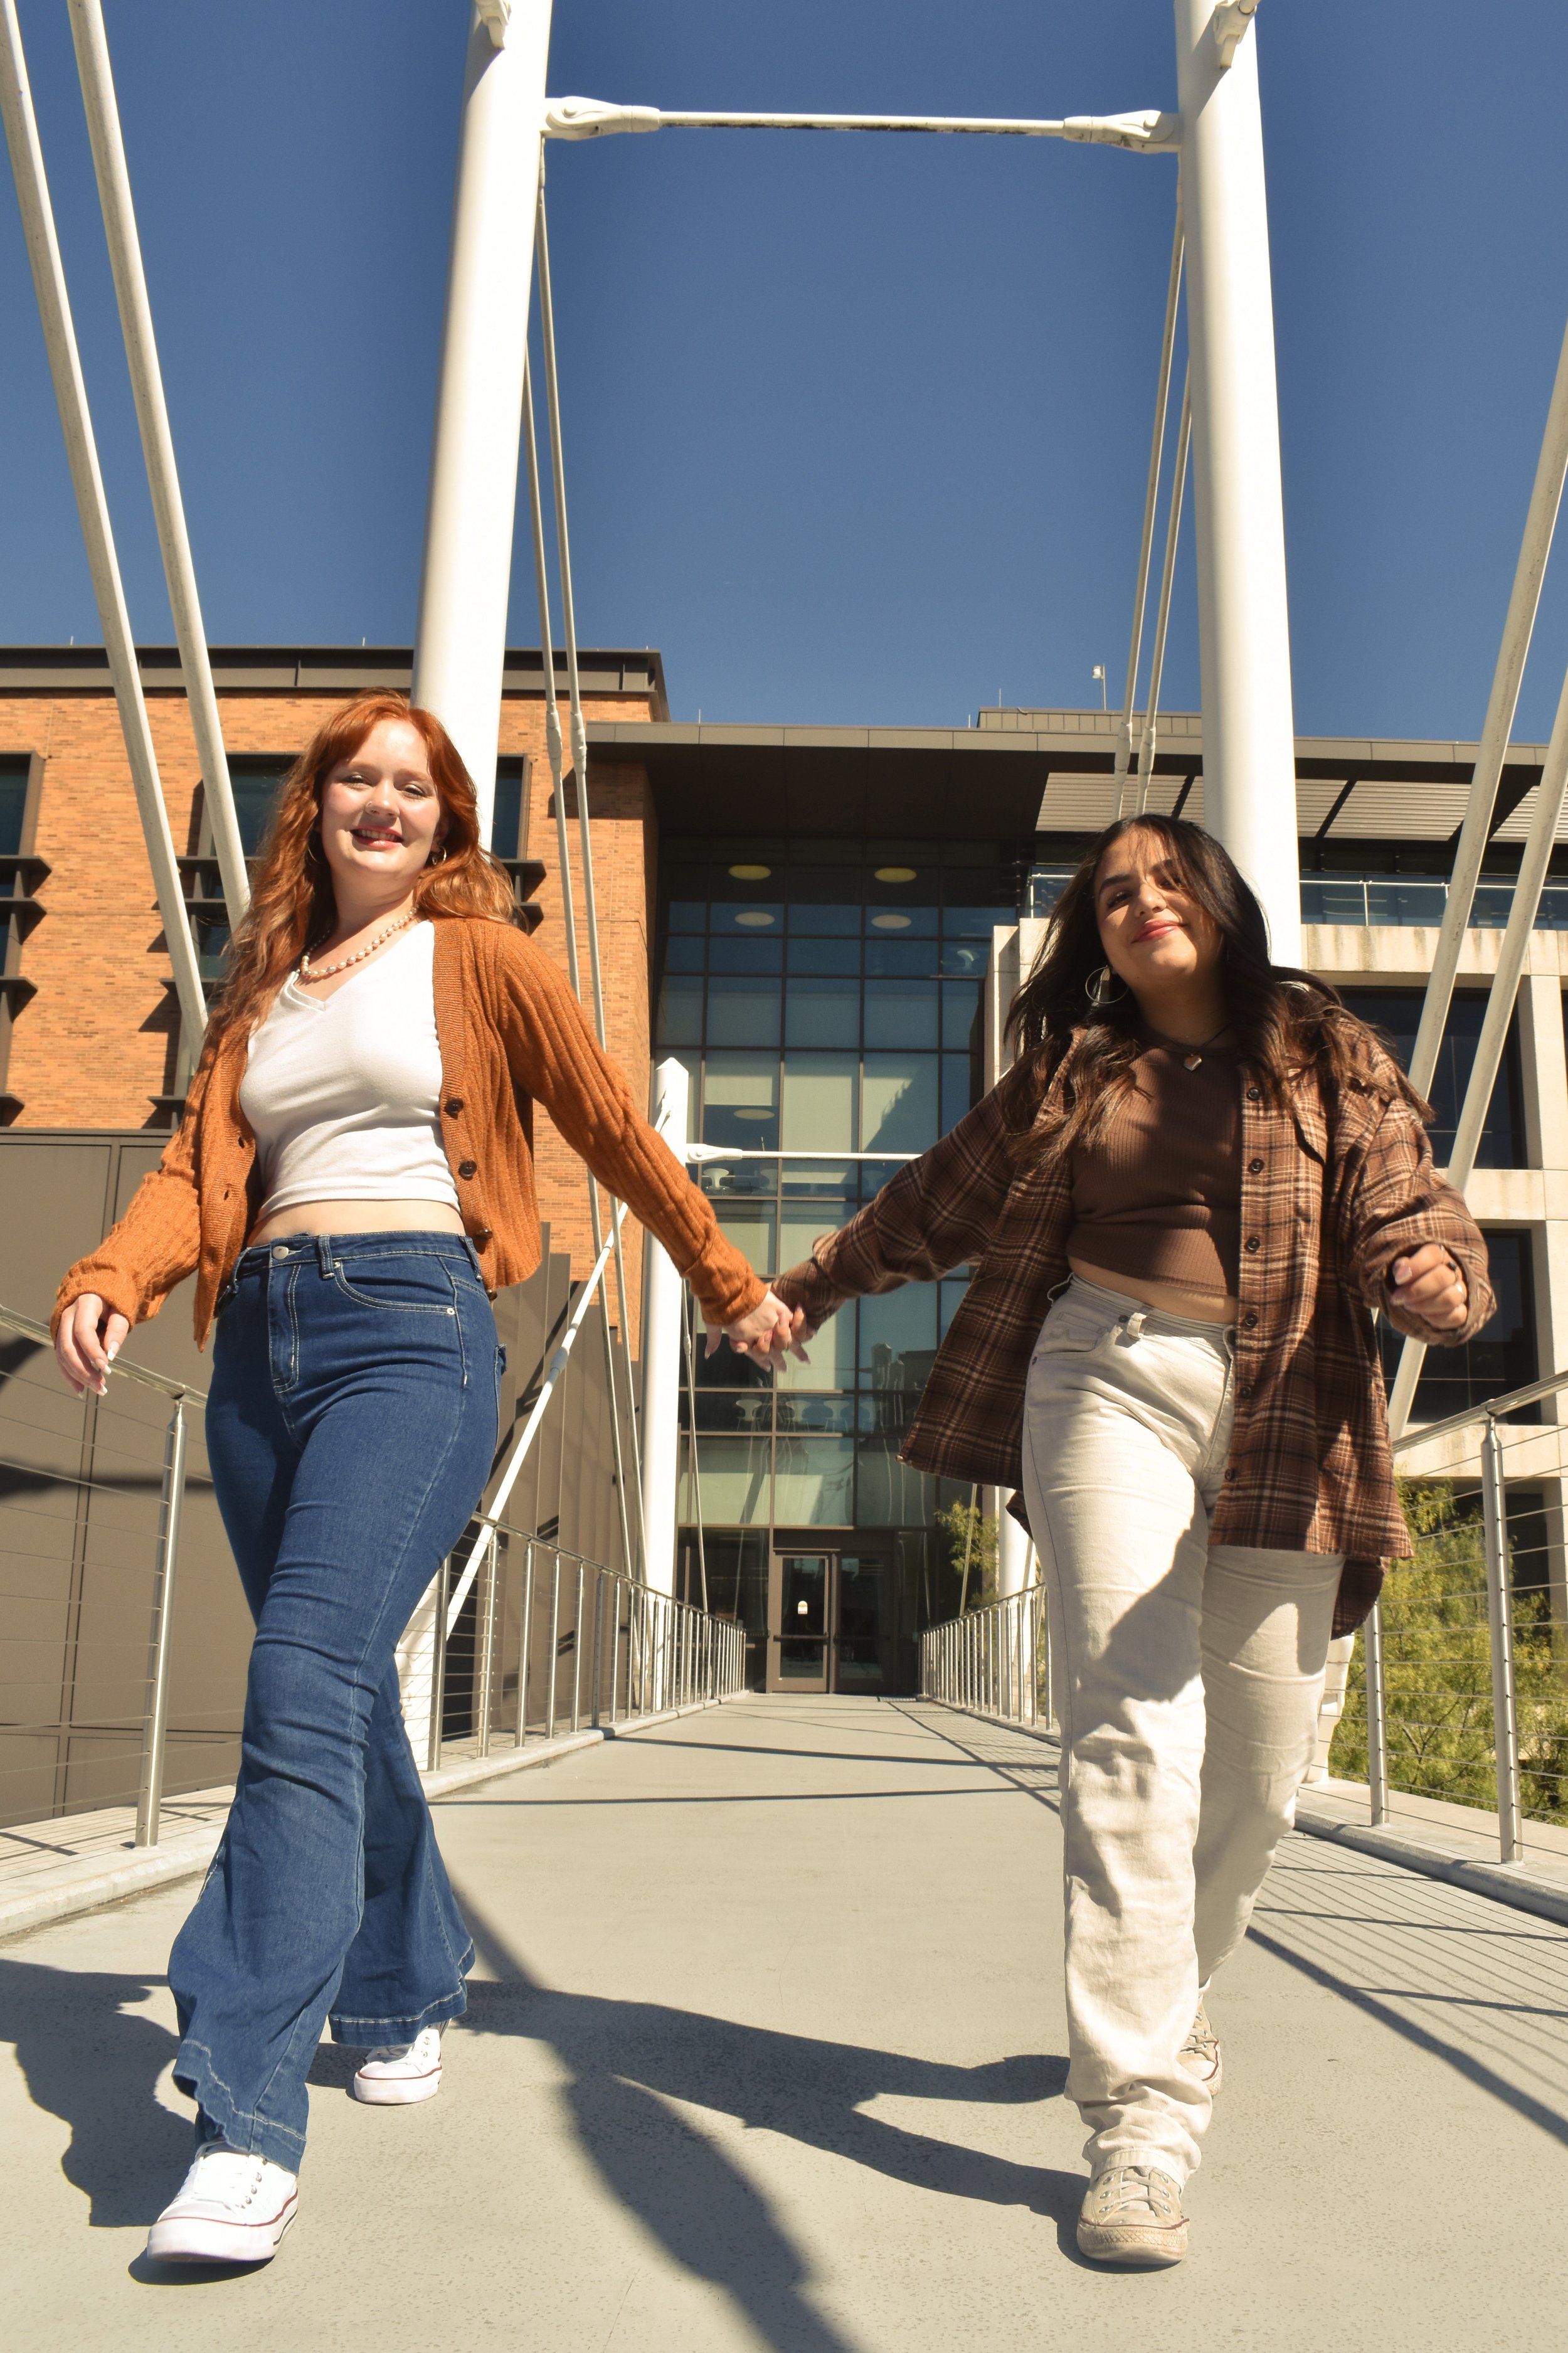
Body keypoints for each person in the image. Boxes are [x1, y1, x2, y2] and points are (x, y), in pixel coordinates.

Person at [51, 693, 794, 2266]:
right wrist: (115, 1271)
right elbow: (199, 1172)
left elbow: (607, 1118)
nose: (382, 804)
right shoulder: (259, 994)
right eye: (356, 781)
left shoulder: (481, 959)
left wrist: (725, 1282)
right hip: (260, 1348)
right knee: (337, 1700)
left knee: (301, 1675)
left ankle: (244, 2111)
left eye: (415, 786)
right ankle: (399, 1982)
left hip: (412, 1332)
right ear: (312, 808)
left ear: (447, 821)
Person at [772, 814, 1491, 2268]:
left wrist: (1437, 1279)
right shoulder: (1071, 1070)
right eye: (1110, 893)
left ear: (1216, 900)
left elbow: (1404, 1206)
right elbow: (935, 1200)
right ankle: (1138, 2123)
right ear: (1089, 934)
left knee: (1263, 1775)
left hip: (1288, 1396)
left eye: (1164, 880)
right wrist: (812, 1285)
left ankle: (1164, 1998)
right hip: (1100, 1370)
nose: (1139, 903)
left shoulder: (1323, 1049)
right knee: (1126, 1733)